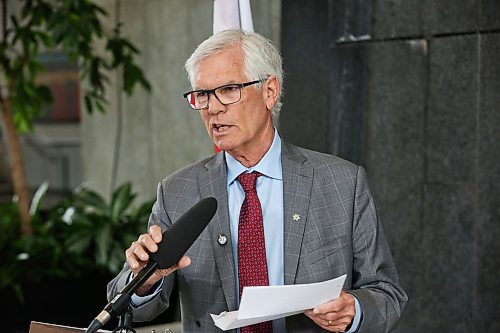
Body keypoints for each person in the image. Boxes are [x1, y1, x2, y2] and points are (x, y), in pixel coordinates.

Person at [107, 30, 407, 333]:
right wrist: (144, 280)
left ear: (269, 91)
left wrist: (353, 312)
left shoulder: (341, 183)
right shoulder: (177, 191)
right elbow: (125, 303)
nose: (212, 108)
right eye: (202, 94)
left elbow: (387, 294)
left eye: (228, 90)